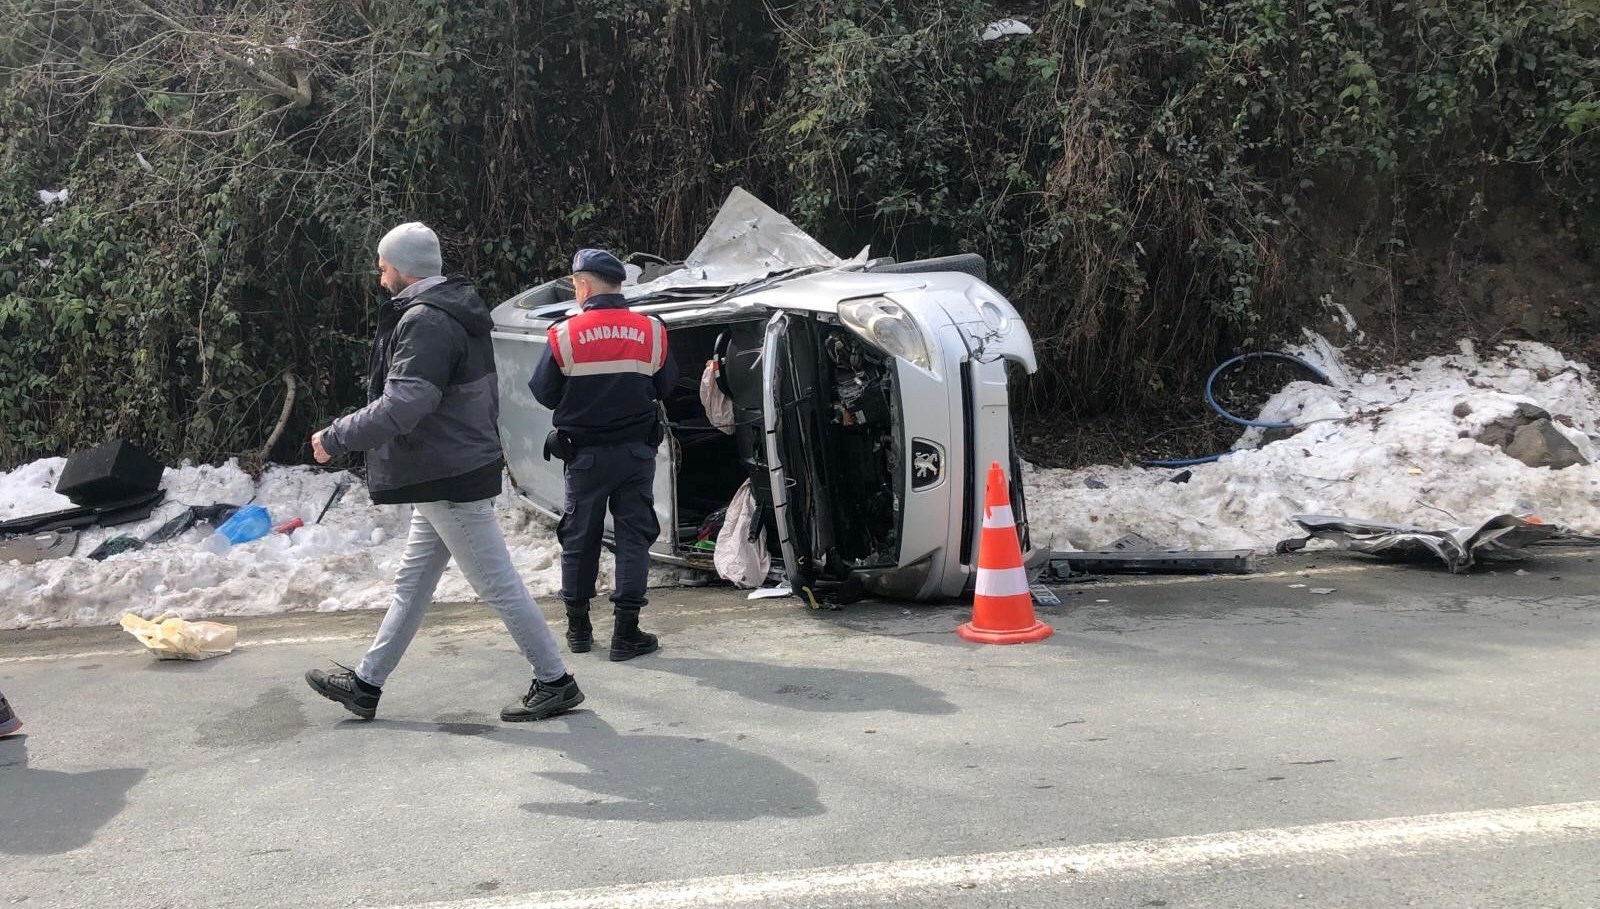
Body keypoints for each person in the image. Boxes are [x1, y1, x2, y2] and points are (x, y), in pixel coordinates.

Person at [305, 221, 581, 722]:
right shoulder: (449, 308)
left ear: (403, 269)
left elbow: (405, 403)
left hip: (448, 472)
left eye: (383, 267)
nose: (380, 277)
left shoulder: (426, 321)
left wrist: (336, 436)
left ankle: (555, 680)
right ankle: (366, 684)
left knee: (496, 584)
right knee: (412, 585)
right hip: (444, 466)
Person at [531, 248, 677, 661]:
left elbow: (544, 392)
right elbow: (666, 386)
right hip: (635, 454)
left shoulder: (563, 334)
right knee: (633, 538)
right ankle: (626, 634)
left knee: (580, 538)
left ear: (583, 285)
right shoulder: (651, 330)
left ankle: (578, 631)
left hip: (585, 457)